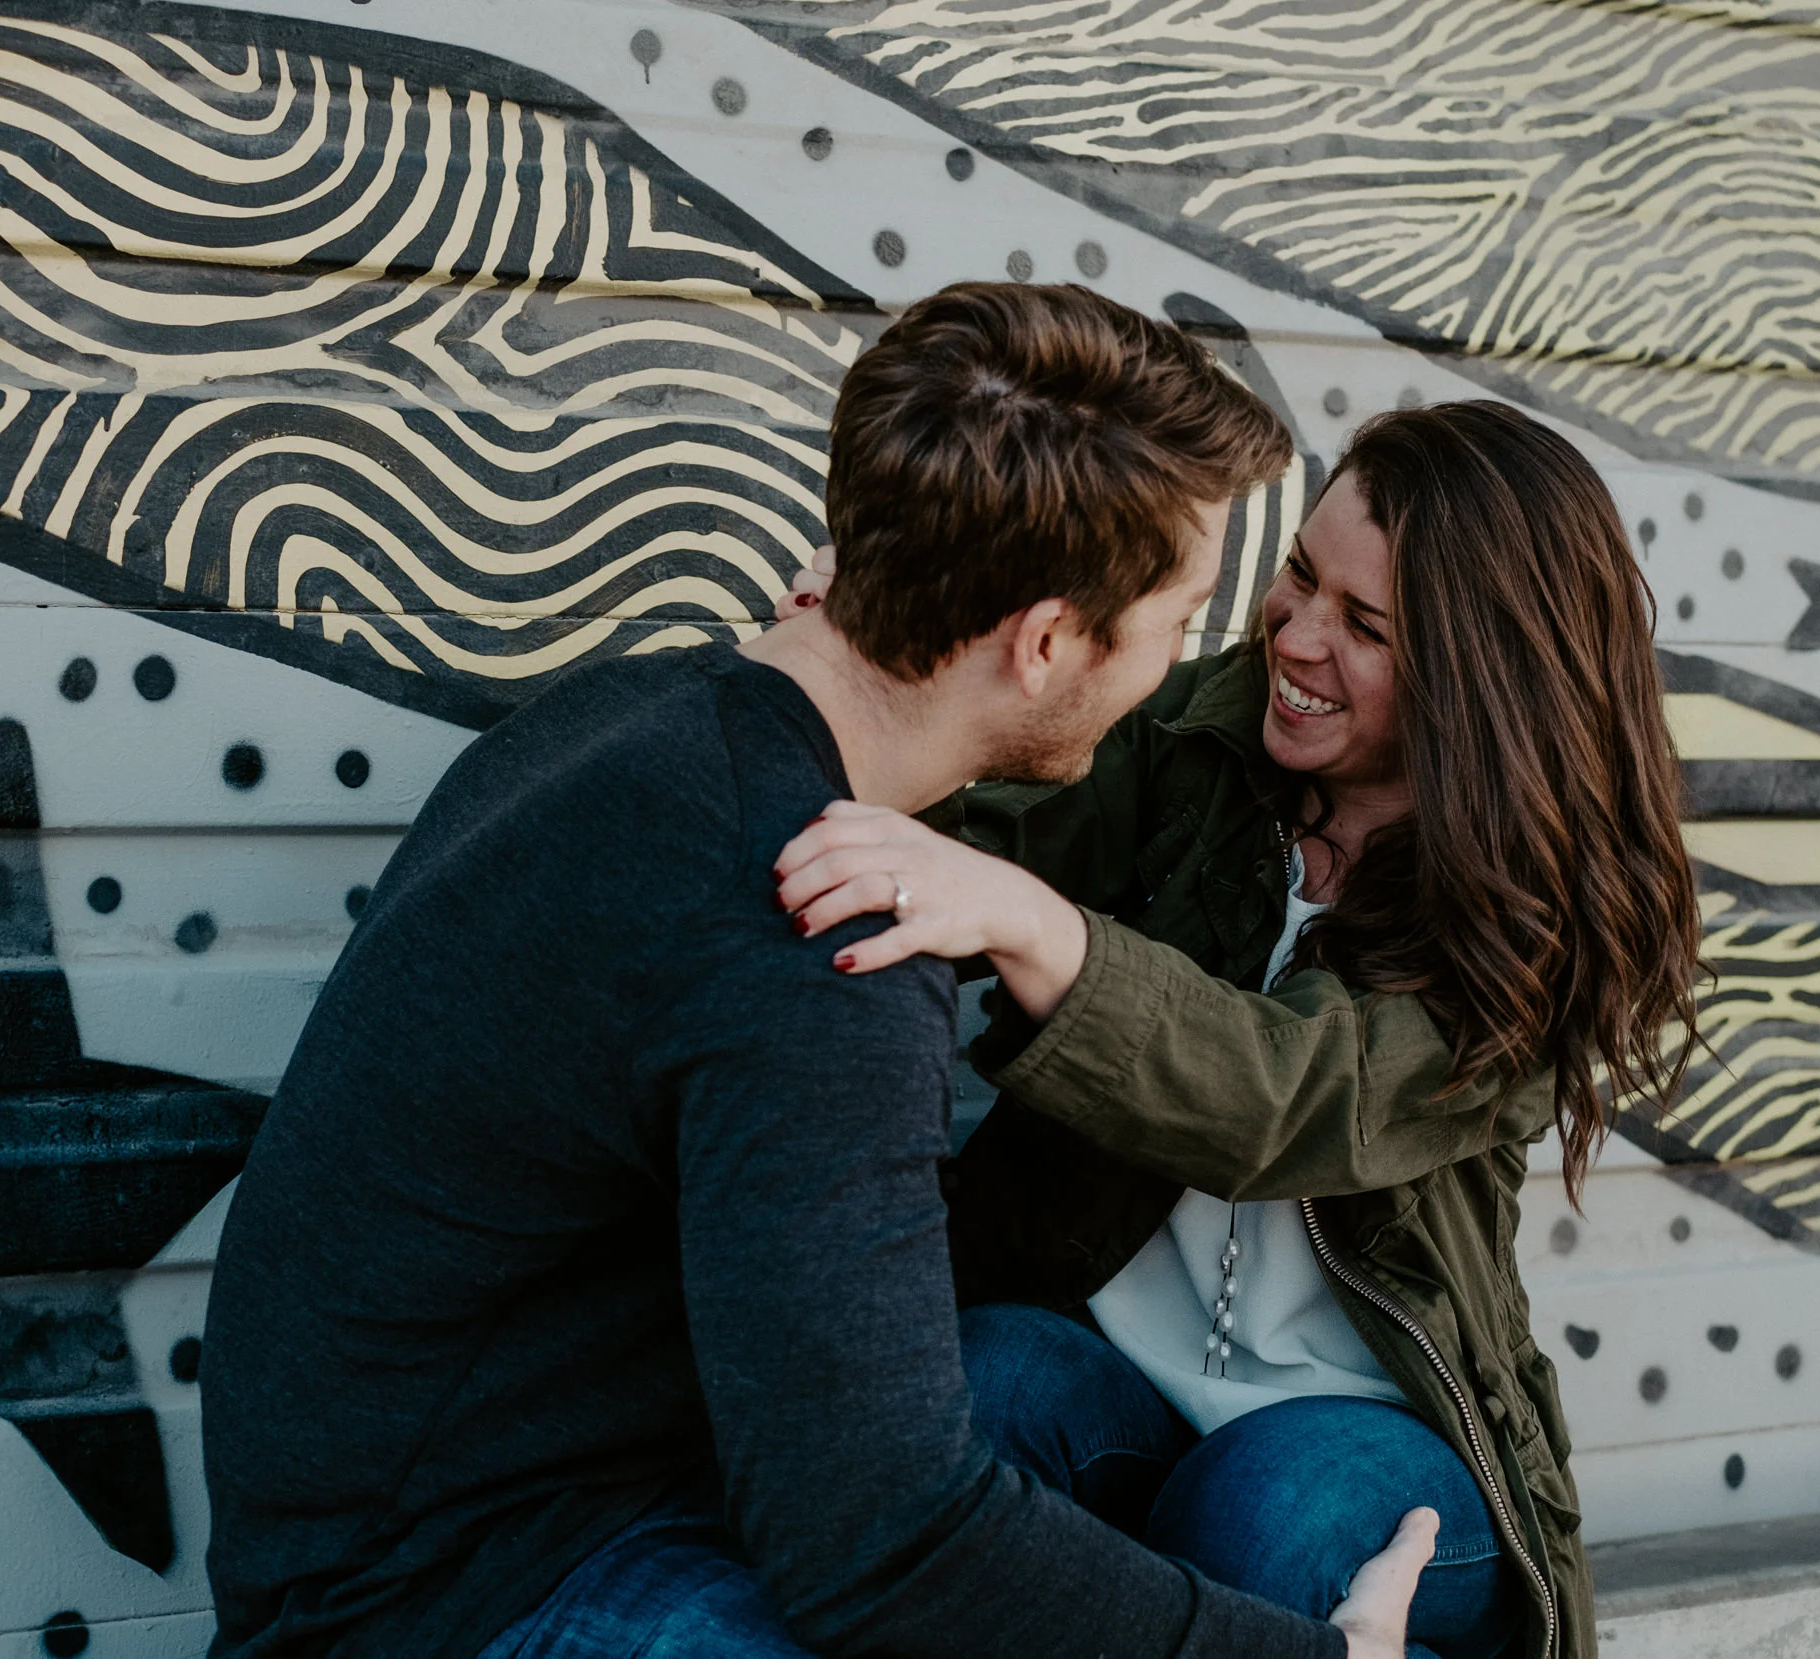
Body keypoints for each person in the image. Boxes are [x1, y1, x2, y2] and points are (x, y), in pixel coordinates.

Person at [196, 282, 1441, 1659]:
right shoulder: (814, 932)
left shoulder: (635, 719)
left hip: (409, 1538)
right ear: (1043, 642)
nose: (1190, 657)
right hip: (471, 1600)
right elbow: (891, 1545)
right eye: (1173, 616)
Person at [772, 398, 1704, 1659]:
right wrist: (877, 669)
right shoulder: (1193, 737)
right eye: (1299, 577)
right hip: (1110, 1362)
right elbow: (964, 813)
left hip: (1365, 1423)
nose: (1296, 635)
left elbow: (1295, 1097)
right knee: (969, 1393)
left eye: (1364, 626)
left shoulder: (1533, 927)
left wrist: (1045, 933)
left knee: (1266, 1515)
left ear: (1478, 677)